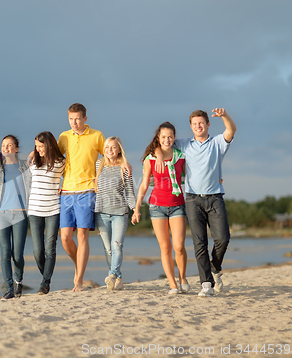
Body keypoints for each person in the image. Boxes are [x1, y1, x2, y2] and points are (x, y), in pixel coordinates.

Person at [155, 109, 236, 297]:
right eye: (194, 124)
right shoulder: (183, 143)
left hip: (215, 197)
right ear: (191, 126)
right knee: (199, 243)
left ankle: (215, 266)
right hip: (192, 199)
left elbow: (231, 130)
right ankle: (206, 284)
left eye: (201, 123)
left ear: (208, 124)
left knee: (223, 239)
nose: (198, 126)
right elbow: (161, 142)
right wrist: (159, 155)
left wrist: (225, 116)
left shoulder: (217, 142)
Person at [57, 103, 132, 292]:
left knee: (82, 235)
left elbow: (110, 152)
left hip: (88, 191)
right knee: (65, 238)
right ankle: (79, 264)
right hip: (66, 192)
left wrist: (125, 163)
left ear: (85, 119)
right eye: (71, 119)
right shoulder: (64, 137)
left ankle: (78, 281)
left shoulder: (96, 135)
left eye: (77, 119)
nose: (74, 123)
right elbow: (55, 158)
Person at [131, 122, 189, 294]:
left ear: (174, 138)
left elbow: (192, 176)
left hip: (177, 205)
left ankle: (183, 277)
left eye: (170, 136)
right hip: (157, 206)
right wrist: (137, 209)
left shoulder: (181, 157)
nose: (167, 140)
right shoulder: (151, 159)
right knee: (165, 247)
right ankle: (172, 284)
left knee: (178, 246)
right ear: (158, 137)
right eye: (163, 137)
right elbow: (143, 185)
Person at [94, 137, 136, 291]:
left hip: (119, 213)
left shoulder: (124, 168)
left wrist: (135, 210)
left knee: (116, 246)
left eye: (113, 147)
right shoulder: (99, 164)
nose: (109, 150)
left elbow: (130, 192)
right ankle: (118, 278)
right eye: (107, 148)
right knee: (108, 249)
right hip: (101, 213)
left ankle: (111, 275)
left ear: (119, 150)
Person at [0, 135, 31, 300]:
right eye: (3, 145)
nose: (6, 148)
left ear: (16, 148)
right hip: (1, 214)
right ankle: (9, 288)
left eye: (9, 145)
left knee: (17, 254)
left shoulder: (25, 166)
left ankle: (18, 281)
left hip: (20, 213)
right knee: (4, 252)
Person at [28, 131, 65, 295]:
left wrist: (63, 188)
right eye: (36, 146)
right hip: (35, 210)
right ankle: (46, 276)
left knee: (50, 248)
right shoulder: (33, 161)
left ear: (49, 145)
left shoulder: (61, 163)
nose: (38, 149)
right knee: (37, 251)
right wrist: (34, 152)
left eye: (41, 146)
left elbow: (70, 177)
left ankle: (45, 283)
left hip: (53, 209)